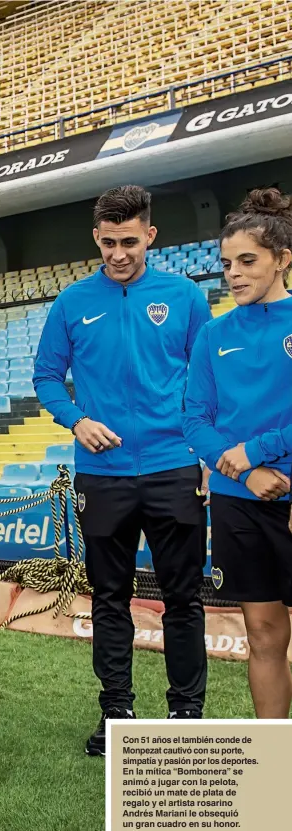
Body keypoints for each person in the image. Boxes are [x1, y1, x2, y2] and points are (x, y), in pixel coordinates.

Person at [33, 185, 211, 757]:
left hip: (174, 467)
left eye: (129, 241)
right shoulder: (71, 302)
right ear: (96, 238)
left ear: (150, 236)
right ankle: (117, 713)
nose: (117, 253)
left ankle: (186, 713)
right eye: (108, 242)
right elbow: (44, 378)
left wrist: (205, 452)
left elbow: (207, 382)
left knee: (183, 599)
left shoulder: (184, 296)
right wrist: (77, 420)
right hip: (103, 475)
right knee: (109, 597)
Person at [183, 187, 292, 719]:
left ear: (282, 260)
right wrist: (245, 473)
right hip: (237, 499)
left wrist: (258, 452)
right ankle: (275, 761)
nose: (234, 273)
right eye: (227, 263)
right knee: (264, 632)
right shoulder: (212, 334)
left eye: (248, 260)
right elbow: (195, 422)